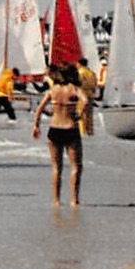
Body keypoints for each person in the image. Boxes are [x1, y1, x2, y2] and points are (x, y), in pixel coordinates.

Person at [31, 64, 87, 207]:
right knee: (76, 167)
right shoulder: (74, 89)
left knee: (56, 167)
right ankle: (74, 200)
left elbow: (39, 109)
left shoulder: (53, 90)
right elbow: (85, 101)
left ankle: (56, 200)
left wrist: (36, 126)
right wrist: (79, 115)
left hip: (54, 129)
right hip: (70, 128)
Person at [76, 57, 100, 135]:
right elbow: (95, 84)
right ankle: (90, 132)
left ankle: (82, 132)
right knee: (90, 116)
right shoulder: (91, 72)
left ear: (79, 64)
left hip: (82, 95)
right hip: (91, 95)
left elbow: (78, 83)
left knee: (81, 115)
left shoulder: (80, 72)